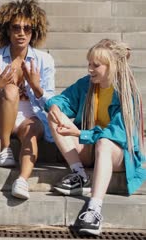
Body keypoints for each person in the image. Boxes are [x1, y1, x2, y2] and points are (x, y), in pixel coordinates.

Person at [46, 39, 146, 236]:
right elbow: (62, 100)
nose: (90, 69)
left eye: (96, 65)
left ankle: (94, 209)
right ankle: (79, 175)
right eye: (89, 64)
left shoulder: (127, 93)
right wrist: (56, 107)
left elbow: (116, 135)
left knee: (105, 142)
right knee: (53, 115)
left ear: (112, 66)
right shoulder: (87, 84)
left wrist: (79, 133)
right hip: (91, 147)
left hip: (118, 154)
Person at [0, 0, 55, 200]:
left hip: (31, 117)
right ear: (7, 30)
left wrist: (36, 86)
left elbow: (51, 101)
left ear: (34, 31)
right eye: (16, 28)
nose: (21, 33)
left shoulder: (44, 60)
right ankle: (4, 148)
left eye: (27, 28)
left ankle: (22, 180)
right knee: (11, 90)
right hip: (1, 116)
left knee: (31, 133)